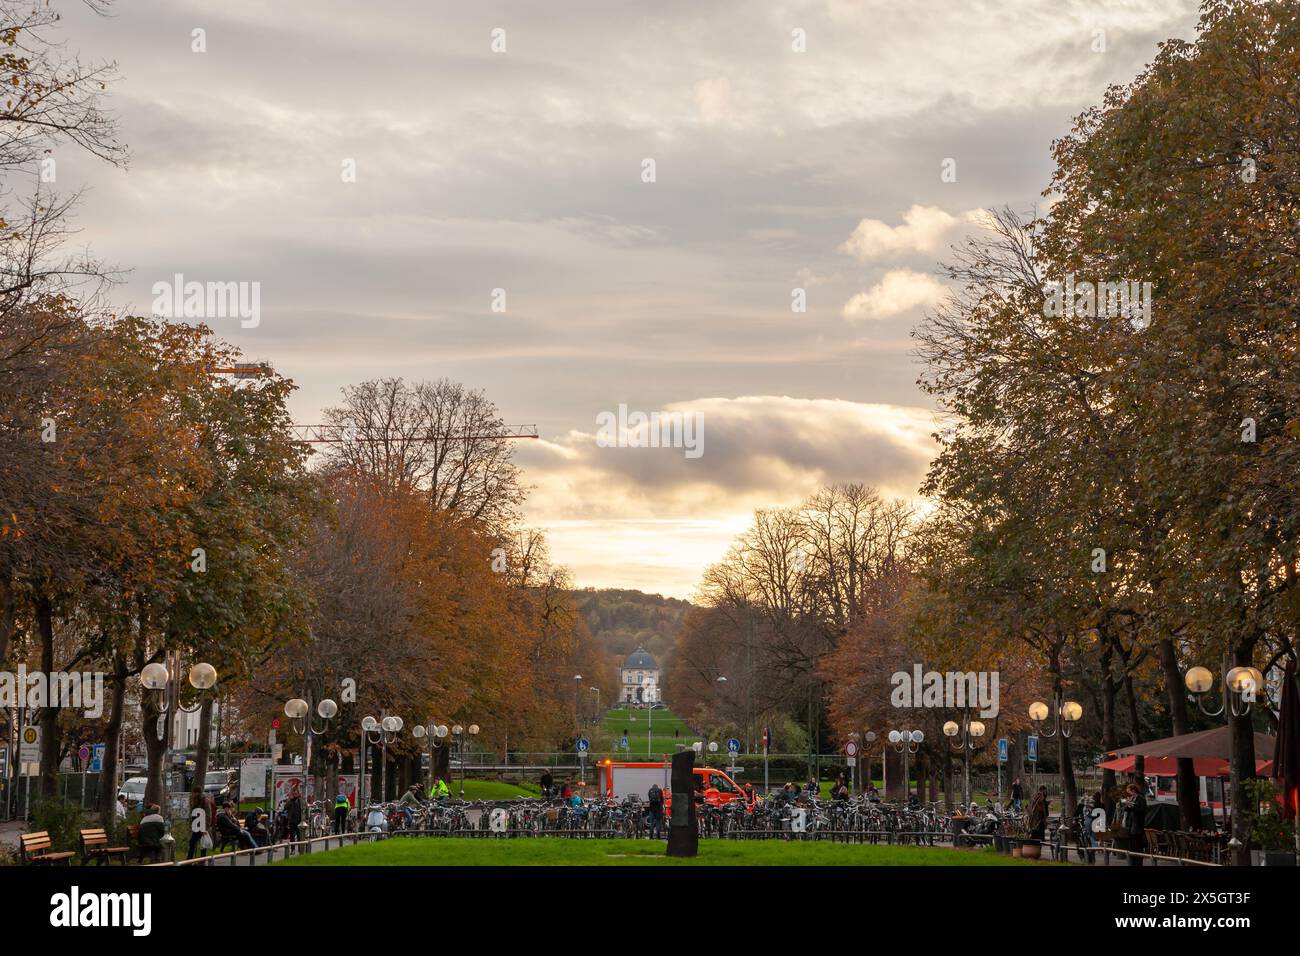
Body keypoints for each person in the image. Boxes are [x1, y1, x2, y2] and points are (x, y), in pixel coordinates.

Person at [1122, 783, 1147, 866]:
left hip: (1137, 825)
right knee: (1132, 846)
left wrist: (1132, 807)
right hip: (1131, 825)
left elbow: (1142, 810)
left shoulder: (1141, 799)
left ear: (1133, 790)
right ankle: (1132, 862)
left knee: (1138, 846)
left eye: (1129, 791)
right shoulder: (1132, 798)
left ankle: (1138, 863)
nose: (1129, 794)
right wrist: (1127, 804)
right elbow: (1126, 809)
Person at [187, 788, 216, 860]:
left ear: (197, 793)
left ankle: (196, 859)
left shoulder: (205, 801)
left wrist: (205, 828)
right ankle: (195, 859)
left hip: (202, 825)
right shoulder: (197, 800)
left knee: (201, 843)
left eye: (194, 793)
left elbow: (208, 815)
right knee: (195, 842)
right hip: (197, 825)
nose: (193, 794)